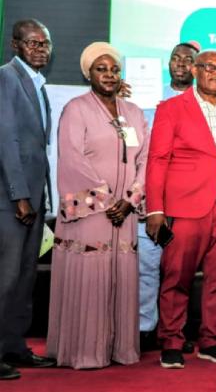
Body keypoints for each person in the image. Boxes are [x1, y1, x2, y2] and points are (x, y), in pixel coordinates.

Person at [146, 50, 216, 369]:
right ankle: (171, 341)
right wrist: (155, 209)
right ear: (195, 70)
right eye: (209, 67)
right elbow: (157, 160)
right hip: (184, 208)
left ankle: (211, 340)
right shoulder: (171, 108)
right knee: (175, 275)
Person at [46, 42, 148, 369]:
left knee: (121, 277)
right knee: (90, 276)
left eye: (114, 69)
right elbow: (72, 160)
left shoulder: (132, 112)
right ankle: (85, 352)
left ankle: (120, 349)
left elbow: (147, 159)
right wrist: (107, 199)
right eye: (101, 69)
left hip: (125, 214)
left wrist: (131, 200)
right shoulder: (76, 109)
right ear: (88, 73)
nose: (109, 74)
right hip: (92, 212)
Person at [0, 19, 56, 380]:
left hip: (33, 200)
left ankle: (15, 347)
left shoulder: (37, 84)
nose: (41, 50)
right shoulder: (6, 77)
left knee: (24, 278)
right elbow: (6, 140)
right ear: (16, 45)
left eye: (45, 44)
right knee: (5, 279)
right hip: (11, 200)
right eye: (33, 43)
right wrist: (19, 195)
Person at [138, 41, 200, 352]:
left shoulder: (207, 101)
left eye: (187, 59)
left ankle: (174, 331)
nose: (180, 63)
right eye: (175, 57)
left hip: (189, 198)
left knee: (180, 270)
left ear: (196, 68)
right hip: (153, 195)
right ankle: (144, 328)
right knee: (148, 264)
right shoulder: (147, 96)